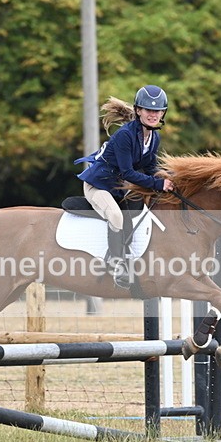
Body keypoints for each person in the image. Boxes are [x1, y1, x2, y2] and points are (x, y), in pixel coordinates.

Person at [74, 85, 175, 289]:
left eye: (157, 111)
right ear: (138, 111)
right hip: (98, 186)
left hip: (119, 187)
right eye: (148, 110)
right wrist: (158, 183)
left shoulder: (154, 137)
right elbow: (128, 172)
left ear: (163, 113)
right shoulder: (125, 135)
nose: (153, 115)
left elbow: (149, 167)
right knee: (116, 216)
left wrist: (170, 177)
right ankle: (116, 263)